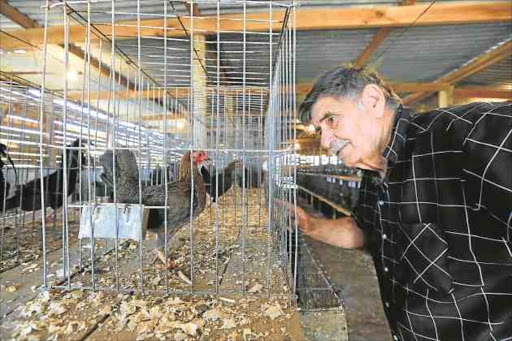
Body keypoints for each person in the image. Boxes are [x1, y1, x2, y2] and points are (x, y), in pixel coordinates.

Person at [293, 65, 512, 340]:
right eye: (318, 130)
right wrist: (308, 224)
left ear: (372, 100)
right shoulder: (374, 176)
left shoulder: (460, 134)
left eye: (331, 120)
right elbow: (362, 230)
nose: (325, 141)